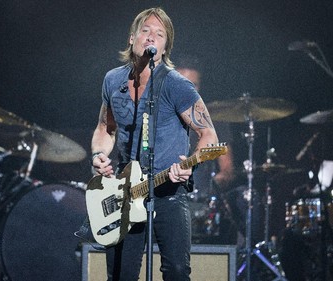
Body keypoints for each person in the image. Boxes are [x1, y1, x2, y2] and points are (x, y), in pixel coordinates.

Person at [90, 7, 218, 281]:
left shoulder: (177, 85)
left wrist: (189, 165)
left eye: (159, 34)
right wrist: (100, 154)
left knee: (177, 271)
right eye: (146, 30)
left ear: (164, 46)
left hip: (168, 190)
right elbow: (105, 127)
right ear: (132, 37)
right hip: (126, 191)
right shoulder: (113, 80)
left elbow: (209, 136)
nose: (151, 37)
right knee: (120, 273)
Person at [175, 57, 239, 245]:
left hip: (200, 199)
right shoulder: (155, 119)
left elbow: (227, 168)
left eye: (193, 85)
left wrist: (217, 183)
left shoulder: (214, 119)